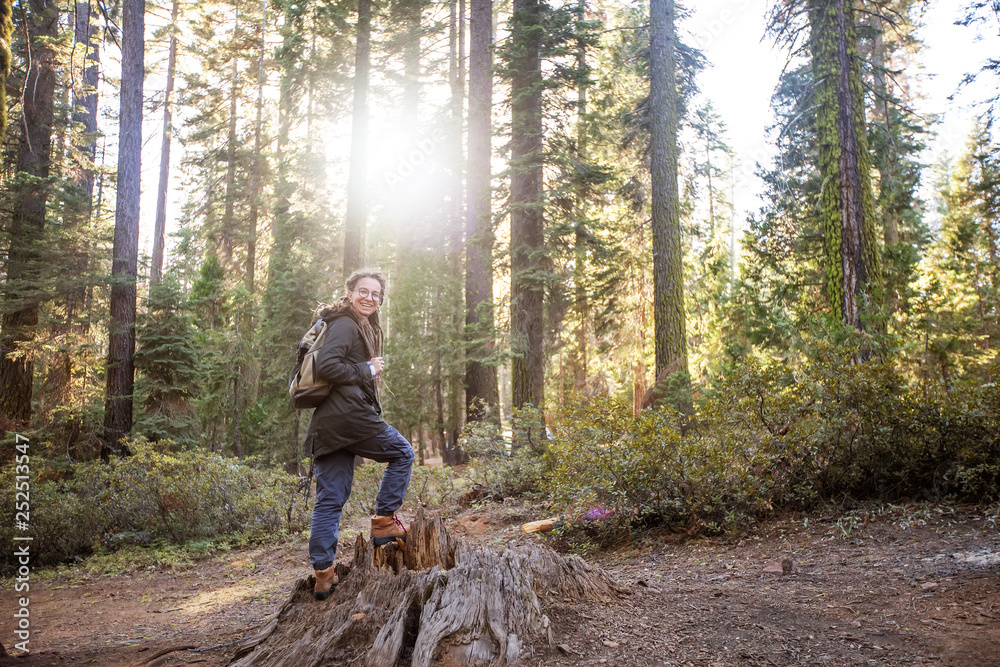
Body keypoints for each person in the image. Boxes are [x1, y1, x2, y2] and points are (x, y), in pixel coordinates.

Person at [304, 269, 414, 601]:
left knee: (329, 501)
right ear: (349, 292)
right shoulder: (345, 324)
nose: (369, 297)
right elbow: (327, 366)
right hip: (351, 418)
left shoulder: (354, 325)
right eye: (362, 291)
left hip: (330, 425)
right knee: (403, 453)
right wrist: (368, 369)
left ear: (380, 299)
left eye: (375, 294)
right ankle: (383, 522)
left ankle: (323, 575)